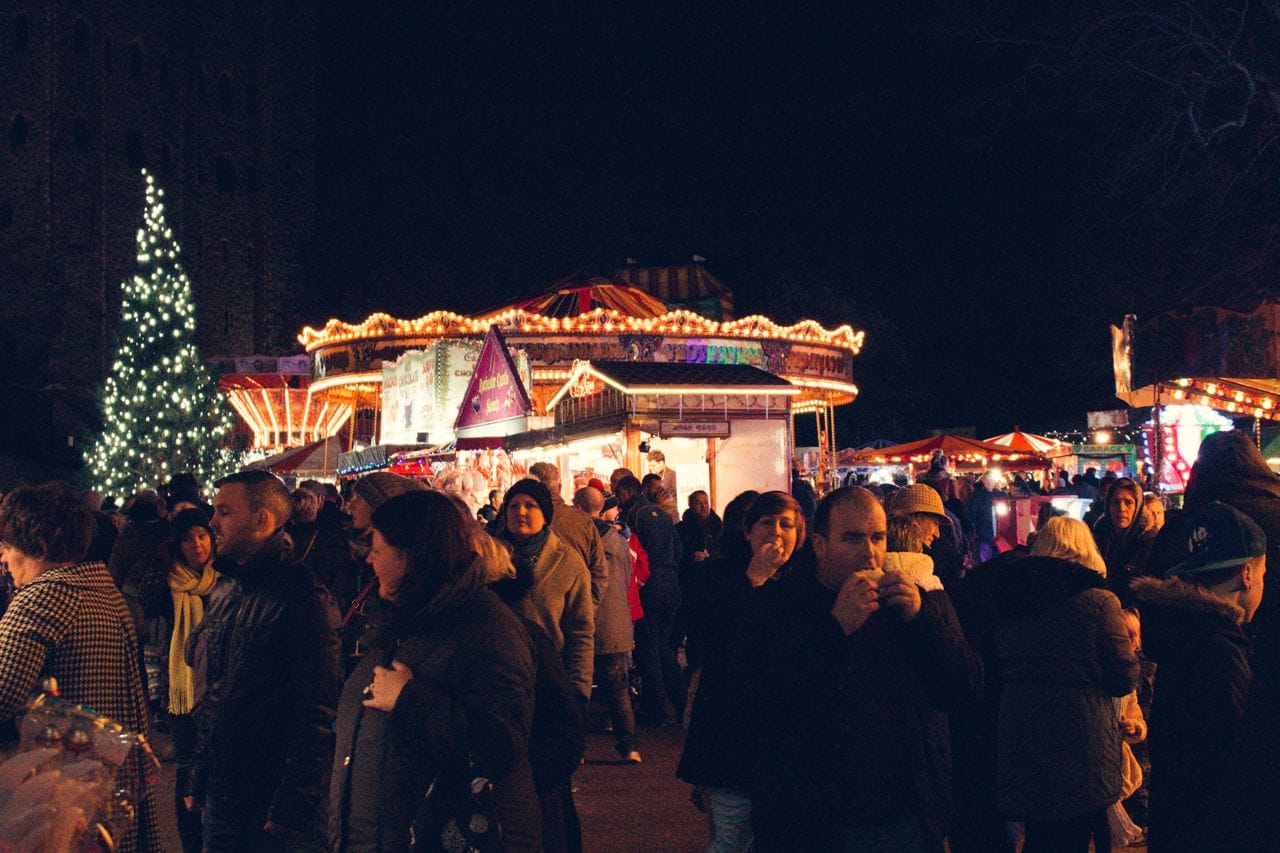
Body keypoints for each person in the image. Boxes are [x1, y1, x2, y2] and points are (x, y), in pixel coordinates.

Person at [745, 486, 982, 851]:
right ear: (820, 545)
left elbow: (964, 687)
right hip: (818, 820)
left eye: (878, 537)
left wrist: (924, 619)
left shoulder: (913, 600)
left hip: (907, 813)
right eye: (853, 538)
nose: (869, 552)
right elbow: (765, 705)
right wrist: (835, 628)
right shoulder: (780, 605)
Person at [330, 490, 540, 851]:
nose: (370, 561)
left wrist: (409, 699)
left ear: (412, 557)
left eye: (379, 550)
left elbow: (500, 746)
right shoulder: (399, 622)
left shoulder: (488, 629)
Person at [0, 482, 160, 851]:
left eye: (8, 548)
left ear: (37, 547)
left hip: (58, 798)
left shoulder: (43, 597)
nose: (4, 559)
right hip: (104, 786)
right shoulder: (103, 592)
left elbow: (3, 694)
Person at [192, 470, 341, 850]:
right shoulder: (227, 588)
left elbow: (317, 713)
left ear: (261, 521)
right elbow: (216, 693)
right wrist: (200, 774)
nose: (212, 522)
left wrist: (293, 804)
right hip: (224, 792)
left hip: (270, 803)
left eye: (224, 512)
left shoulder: (304, 598)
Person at [995, 516, 1138, 852]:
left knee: (1040, 837)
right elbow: (1123, 678)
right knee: (1075, 835)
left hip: (1022, 729)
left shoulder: (1012, 598)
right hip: (1081, 739)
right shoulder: (1100, 602)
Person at [1133, 501, 1265, 852]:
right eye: (1264, 572)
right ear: (1247, 574)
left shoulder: (1183, 633)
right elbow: (1234, 764)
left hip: (1176, 825)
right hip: (1209, 832)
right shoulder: (1220, 652)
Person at [678, 491, 806, 852]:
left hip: (787, 740)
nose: (777, 533)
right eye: (767, 523)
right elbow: (712, 641)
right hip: (731, 738)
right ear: (748, 531)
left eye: (787, 525)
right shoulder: (718, 576)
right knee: (731, 839)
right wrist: (755, 578)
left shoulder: (805, 583)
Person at [494, 478, 595, 703]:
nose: (520, 511)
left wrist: (578, 690)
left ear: (545, 514)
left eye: (530, 505)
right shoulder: (486, 558)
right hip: (496, 677)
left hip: (548, 679)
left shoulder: (568, 562)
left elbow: (580, 632)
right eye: (513, 505)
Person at [573, 486, 640, 763]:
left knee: (578, 687)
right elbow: (627, 580)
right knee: (618, 689)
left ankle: (576, 749)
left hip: (584, 623)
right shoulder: (619, 540)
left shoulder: (577, 539)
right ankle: (630, 746)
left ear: (577, 507)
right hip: (615, 623)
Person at [615, 474, 686, 726]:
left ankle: (656, 710)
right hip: (671, 585)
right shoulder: (661, 514)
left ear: (625, 492)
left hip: (650, 588)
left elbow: (630, 554)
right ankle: (681, 701)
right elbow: (679, 550)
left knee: (649, 648)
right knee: (664, 646)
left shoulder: (631, 516)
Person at [526, 462, 609, 608]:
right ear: (559, 487)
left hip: (532, 614)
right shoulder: (582, 521)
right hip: (575, 608)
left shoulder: (517, 520)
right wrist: (587, 610)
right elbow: (600, 573)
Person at [1091, 477, 1157, 605]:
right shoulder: (1098, 538)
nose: (1121, 508)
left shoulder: (1150, 542)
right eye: (1116, 502)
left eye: (1128, 502)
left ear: (1138, 506)